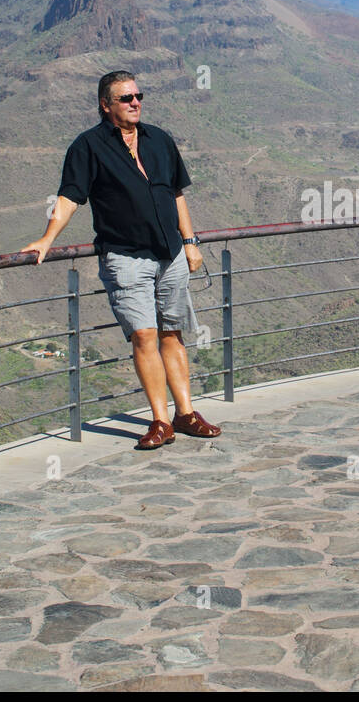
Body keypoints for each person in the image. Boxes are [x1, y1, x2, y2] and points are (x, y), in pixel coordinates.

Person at [21, 71, 222, 450]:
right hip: (125, 257)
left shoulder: (159, 139)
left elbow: (177, 193)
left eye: (138, 96)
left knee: (172, 334)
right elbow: (69, 197)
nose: (135, 103)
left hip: (171, 255)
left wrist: (191, 241)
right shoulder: (88, 147)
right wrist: (48, 239)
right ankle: (160, 421)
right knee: (144, 334)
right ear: (105, 104)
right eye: (126, 98)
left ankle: (186, 413)